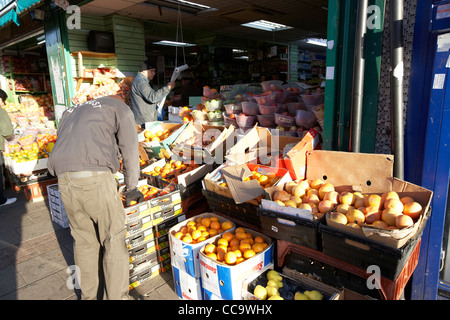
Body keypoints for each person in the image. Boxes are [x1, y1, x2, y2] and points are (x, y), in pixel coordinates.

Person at [47, 95, 143, 300]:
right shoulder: (120, 108)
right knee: (113, 238)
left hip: (64, 178)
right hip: (96, 178)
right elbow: (130, 148)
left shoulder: (72, 111)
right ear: (124, 99)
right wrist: (132, 185)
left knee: (83, 241)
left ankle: (90, 297)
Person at [130, 60, 175, 127]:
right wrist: (168, 88)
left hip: (145, 120)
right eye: (152, 71)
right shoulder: (140, 82)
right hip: (144, 122)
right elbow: (152, 97)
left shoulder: (142, 81)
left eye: (154, 71)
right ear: (144, 71)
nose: (154, 73)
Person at [0, 89, 16, 208]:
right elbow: (7, 132)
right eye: (3, 101)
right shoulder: (1, 112)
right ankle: (1, 200)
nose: (4, 104)